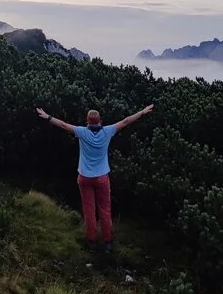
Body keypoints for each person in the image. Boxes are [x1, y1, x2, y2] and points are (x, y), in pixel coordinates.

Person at [34, 104, 154, 252]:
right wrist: (142, 112)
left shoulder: (82, 132)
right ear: (100, 121)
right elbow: (126, 121)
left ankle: (92, 242)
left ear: (87, 122)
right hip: (102, 177)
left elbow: (63, 125)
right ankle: (108, 242)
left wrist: (48, 117)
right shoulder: (107, 131)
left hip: (84, 177)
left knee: (89, 210)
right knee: (105, 209)